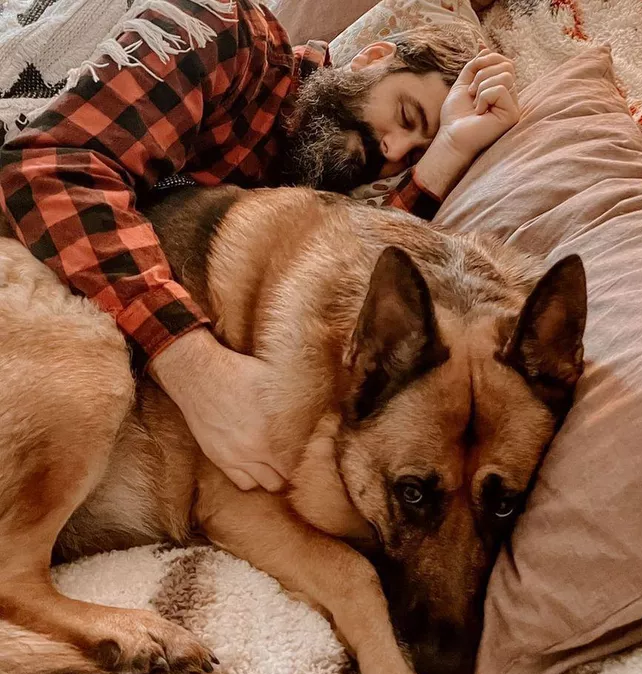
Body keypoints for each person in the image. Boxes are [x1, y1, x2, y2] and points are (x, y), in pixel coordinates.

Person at [0, 0, 519, 494]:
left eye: (409, 157)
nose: (392, 150)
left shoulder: (309, 178)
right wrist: (194, 365)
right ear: (373, 58)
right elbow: (51, 168)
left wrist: (448, 151)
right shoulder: (229, 33)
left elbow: (360, 260)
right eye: (407, 117)